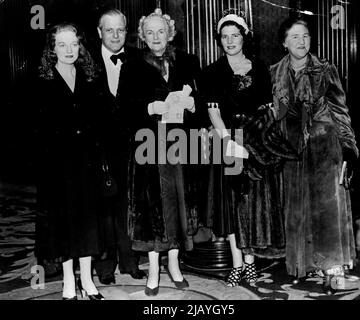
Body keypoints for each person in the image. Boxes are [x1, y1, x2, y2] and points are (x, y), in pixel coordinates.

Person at [200, 9, 293, 287]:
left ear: (244, 37)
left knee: (251, 204)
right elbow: (213, 112)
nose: (230, 41)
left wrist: (255, 144)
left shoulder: (260, 68)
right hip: (227, 141)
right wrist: (228, 143)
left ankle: (250, 264)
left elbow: (267, 108)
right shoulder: (212, 72)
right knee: (231, 205)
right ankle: (237, 264)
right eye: (225, 37)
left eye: (235, 36)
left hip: (254, 142)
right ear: (219, 39)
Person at [270, 17, 358, 295]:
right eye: (294, 37)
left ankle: (332, 271)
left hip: (324, 147)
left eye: (305, 36)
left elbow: (341, 113)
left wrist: (349, 149)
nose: (301, 41)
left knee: (327, 212)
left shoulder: (325, 69)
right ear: (284, 42)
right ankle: (304, 265)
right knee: (298, 210)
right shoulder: (274, 73)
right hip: (293, 151)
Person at [117, 8, 202, 296]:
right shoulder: (131, 64)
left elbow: (200, 102)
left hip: (180, 142)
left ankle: (174, 265)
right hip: (148, 144)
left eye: (160, 31)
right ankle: (154, 268)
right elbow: (124, 109)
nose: (156, 37)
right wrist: (149, 108)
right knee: (153, 208)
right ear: (142, 36)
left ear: (170, 34)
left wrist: (192, 106)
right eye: (149, 32)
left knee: (179, 203)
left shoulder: (188, 62)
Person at [35, 23, 105, 300]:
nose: (68, 50)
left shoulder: (90, 77)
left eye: (73, 44)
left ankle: (88, 280)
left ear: (80, 46)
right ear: (52, 49)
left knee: (88, 225)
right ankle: (68, 282)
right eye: (61, 45)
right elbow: (37, 130)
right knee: (64, 226)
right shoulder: (43, 81)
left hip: (87, 164)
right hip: (58, 167)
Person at [91, 8, 146, 284]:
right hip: (98, 148)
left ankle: (130, 261)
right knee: (103, 208)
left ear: (127, 31)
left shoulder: (138, 58)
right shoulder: (84, 61)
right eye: (108, 30)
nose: (115, 35)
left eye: (120, 30)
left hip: (132, 146)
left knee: (129, 206)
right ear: (99, 32)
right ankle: (104, 266)